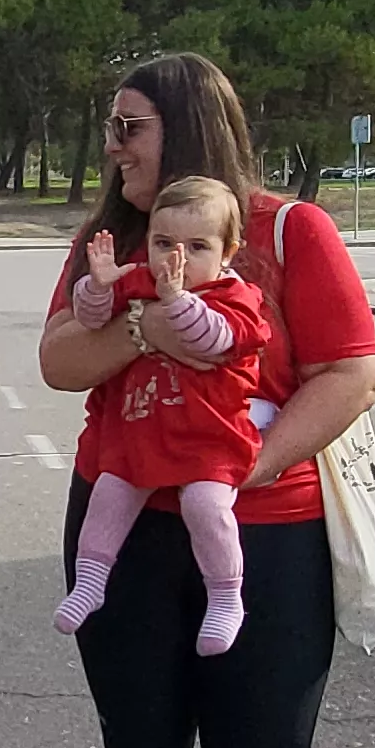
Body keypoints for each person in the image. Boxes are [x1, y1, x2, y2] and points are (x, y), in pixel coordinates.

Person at [37, 53, 375, 748]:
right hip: (124, 528)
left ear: (185, 129)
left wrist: (247, 466)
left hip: (258, 545)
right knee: (137, 744)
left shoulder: (287, 232)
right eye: (110, 125)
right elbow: (59, 359)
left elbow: (351, 369)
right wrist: (142, 318)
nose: (115, 144)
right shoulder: (116, 246)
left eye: (131, 126)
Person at [55, 174, 271, 654]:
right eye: (163, 243)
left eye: (197, 246)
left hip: (210, 437)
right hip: (145, 429)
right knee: (110, 491)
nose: (177, 258)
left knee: (205, 506)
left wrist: (172, 300)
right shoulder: (144, 281)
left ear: (227, 252)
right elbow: (90, 319)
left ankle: (225, 595)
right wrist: (99, 284)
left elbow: (210, 339)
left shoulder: (238, 298)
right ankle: (91, 581)